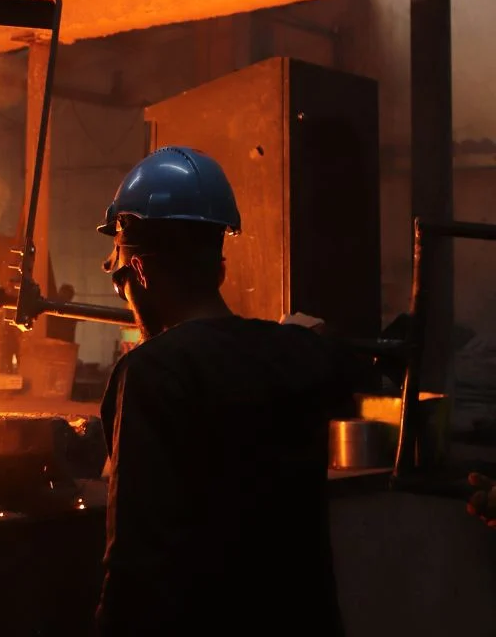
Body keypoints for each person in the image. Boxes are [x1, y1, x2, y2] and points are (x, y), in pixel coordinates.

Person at [95, 146, 354, 636]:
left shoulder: (151, 373)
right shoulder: (300, 353)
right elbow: (332, 354)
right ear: (220, 270)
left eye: (122, 280)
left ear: (141, 271)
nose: (126, 297)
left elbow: (135, 569)